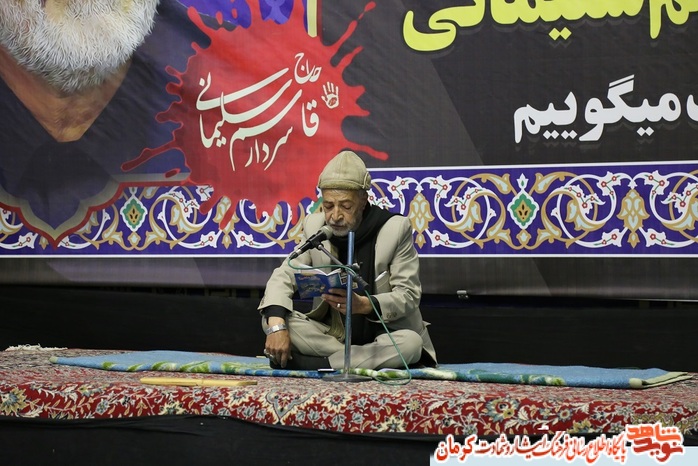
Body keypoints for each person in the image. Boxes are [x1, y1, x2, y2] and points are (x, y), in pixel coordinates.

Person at [258, 150, 437, 370]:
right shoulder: (315, 226)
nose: (335, 216)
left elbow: (408, 296)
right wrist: (277, 327)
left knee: (410, 344)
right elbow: (285, 274)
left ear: (363, 201)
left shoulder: (394, 229)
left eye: (345, 206)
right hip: (334, 337)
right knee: (274, 317)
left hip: (384, 335)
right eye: (328, 206)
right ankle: (351, 360)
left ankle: (318, 364)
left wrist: (364, 305)